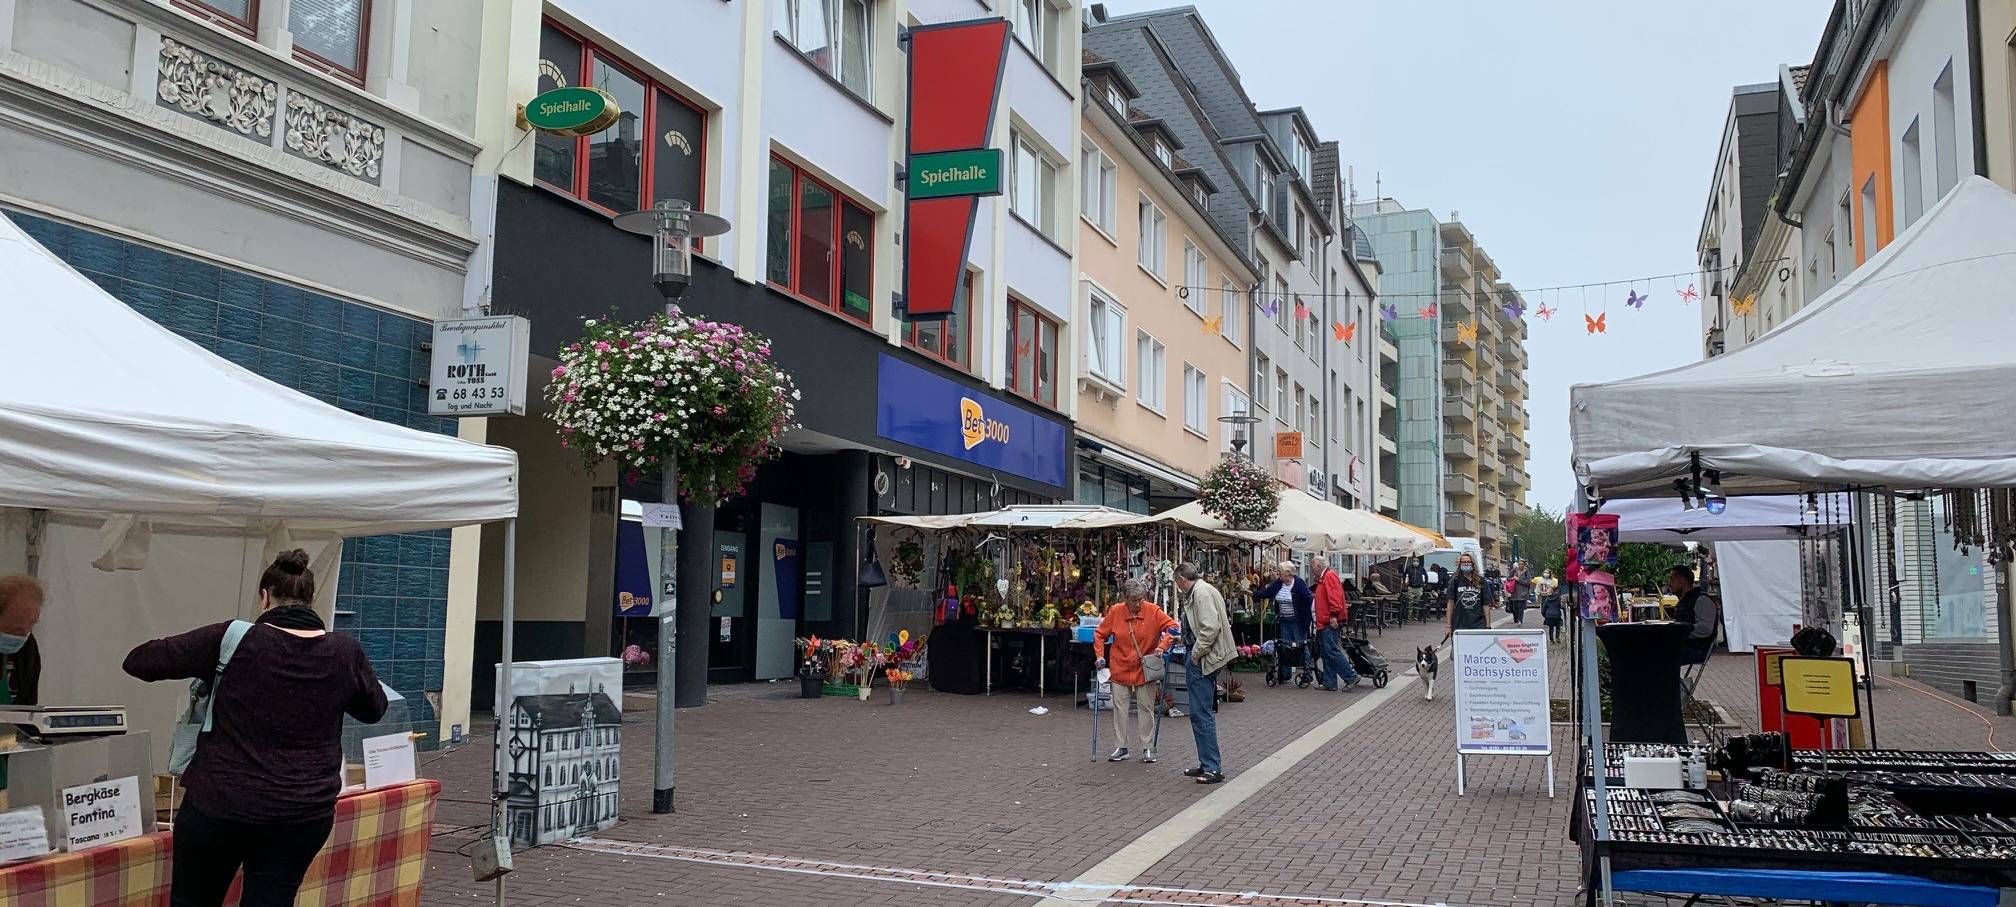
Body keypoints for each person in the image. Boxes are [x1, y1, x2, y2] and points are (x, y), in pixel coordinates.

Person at [124, 550, 388, 907]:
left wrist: (205, 662)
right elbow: (374, 709)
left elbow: (140, 661)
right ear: (313, 600)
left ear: (264, 597)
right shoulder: (344, 651)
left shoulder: (231, 639)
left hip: (221, 804)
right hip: (303, 812)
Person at [1093, 578, 1178, 764]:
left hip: (1145, 669)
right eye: (1134, 600)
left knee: (1146, 707)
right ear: (1125, 599)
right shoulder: (1116, 612)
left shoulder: (1153, 610)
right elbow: (1100, 634)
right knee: (1120, 708)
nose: (1139, 603)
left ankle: (1147, 747)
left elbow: (1173, 628)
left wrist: (1162, 646)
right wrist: (1100, 655)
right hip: (1120, 667)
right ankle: (1121, 746)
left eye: (1141, 599)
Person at [1174, 562, 1235, 784]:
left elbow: (1210, 628)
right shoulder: (1204, 590)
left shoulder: (1199, 593)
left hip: (1203, 659)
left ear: (1181, 579)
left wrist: (1195, 654)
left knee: (1201, 713)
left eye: (1177, 583)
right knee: (1200, 712)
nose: (1178, 588)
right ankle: (1206, 762)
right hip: (1205, 656)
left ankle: (1212, 766)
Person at [0, 575, 45, 791]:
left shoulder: (27, 648)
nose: (24, 634)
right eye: (17, 628)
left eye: (31, 625)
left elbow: (27, 708)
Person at [1251, 562, 1313, 682]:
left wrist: (1306, 617)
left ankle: (1307, 672)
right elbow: (1267, 593)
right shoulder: (1279, 583)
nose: (1279, 575)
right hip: (1284, 620)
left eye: (1281, 572)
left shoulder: (1298, 583)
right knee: (1285, 646)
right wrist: (1251, 593)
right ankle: (1285, 673)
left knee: (1302, 645)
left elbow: (1308, 598)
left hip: (1297, 621)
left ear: (1289, 573)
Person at [1310, 556, 1360, 691]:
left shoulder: (1329, 576)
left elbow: (1335, 597)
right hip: (1323, 621)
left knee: (1331, 651)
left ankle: (1351, 676)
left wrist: (1333, 615)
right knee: (1326, 652)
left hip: (1329, 621)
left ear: (1319, 566)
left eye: (1313, 567)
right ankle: (1329, 681)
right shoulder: (1323, 578)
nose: (1312, 570)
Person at [1667, 565, 1721, 668]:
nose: (1669, 583)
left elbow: (1705, 629)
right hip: (1685, 647)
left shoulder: (1702, 600)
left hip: (1696, 650)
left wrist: (1679, 632)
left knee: (1657, 655)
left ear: (1682, 580)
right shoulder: (1685, 601)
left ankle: (1670, 683)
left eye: (1672, 579)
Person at [1442, 553, 1496, 638]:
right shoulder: (1455, 580)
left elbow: (1485, 605)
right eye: (1463, 562)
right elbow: (1450, 603)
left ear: (1472, 564)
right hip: (1459, 624)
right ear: (1460, 565)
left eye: (1468, 562)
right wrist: (1448, 626)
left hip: (1478, 624)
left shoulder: (1481, 581)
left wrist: (1488, 626)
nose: (1466, 564)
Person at [1537, 570, 1564, 643]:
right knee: (1558, 627)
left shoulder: (1548, 599)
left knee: (1551, 628)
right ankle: (1557, 638)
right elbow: (1561, 606)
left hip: (1549, 615)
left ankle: (1551, 640)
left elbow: (1544, 608)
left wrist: (1545, 615)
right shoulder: (1559, 598)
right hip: (1557, 615)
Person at [1507, 559, 1534, 626]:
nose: (1520, 565)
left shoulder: (1526, 572)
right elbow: (1508, 578)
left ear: (1524, 565)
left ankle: (1520, 620)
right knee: (1514, 608)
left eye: (1522, 564)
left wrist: (1518, 580)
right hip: (1514, 592)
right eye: (1519, 564)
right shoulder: (1514, 571)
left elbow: (1528, 582)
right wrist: (1513, 578)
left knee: (1520, 607)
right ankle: (1516, 618)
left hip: (1522, 593)